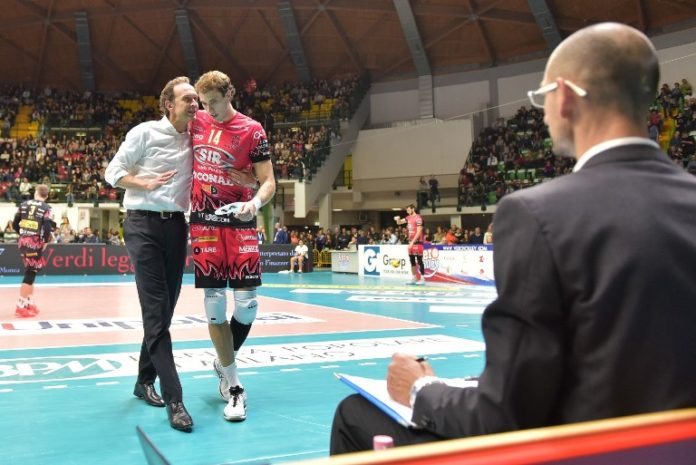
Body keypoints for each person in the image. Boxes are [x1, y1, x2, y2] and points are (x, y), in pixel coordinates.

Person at [330, 22, 696, 454]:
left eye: (542, 97)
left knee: (355, 413)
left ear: (565, 96)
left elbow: (504, 414)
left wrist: (421, 389)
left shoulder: (538, 214)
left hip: (588, 450)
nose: (543, 113)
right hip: (675, 447)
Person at [104, 76, 198, 433]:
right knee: (157, 310)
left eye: (196, 99)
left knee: (165, 310)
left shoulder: (196, 136)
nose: (194, 104)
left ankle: (143, 380)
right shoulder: (143, 132)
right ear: (169, 104)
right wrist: (144, 182)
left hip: (176, 227)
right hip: (142, 224)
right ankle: (175, 400)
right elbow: (112, 173)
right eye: (187, 99)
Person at [190, 70, 276, 422]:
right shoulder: (196, 121)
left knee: (248, 306)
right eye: (204, 103)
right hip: (204, 223)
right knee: (214, 305)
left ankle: (223, 360)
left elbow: (268, 181)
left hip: (240, 221)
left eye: (213, 101)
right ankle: (235, 384)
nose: (208, 109)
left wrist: (254, 201)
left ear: (229, 94)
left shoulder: (252, 130)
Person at [12, 184, 53, 318]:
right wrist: (45, 241)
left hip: (24, 241)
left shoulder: (23, 204)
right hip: (35, 242)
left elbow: (15, 223)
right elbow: (47, 227)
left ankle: (29, 303)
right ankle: (20, 306)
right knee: (30, 272)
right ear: (46, 196)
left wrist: (23, 235)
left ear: (36, 193)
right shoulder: (46, 208)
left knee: (32, 271)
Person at [393, 204, 425, 285]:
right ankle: (414, 278)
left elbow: (419, 231)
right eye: (407, 210)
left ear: (413, 209)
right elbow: (399, 223)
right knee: (412, 261)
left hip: (418, 243)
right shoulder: (408, 218)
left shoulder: (418, 218)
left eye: (408, 210)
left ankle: (422, 279)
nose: (407, 211)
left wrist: (412, 242)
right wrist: (398, 219)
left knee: (419, 260)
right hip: (411, 242)